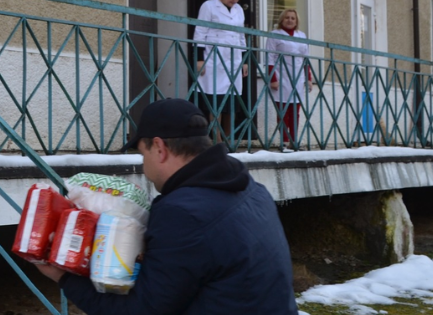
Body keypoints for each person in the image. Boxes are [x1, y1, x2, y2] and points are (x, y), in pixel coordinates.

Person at [36, 98, 298, 315]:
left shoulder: (182, 212)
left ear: (159, 148)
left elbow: (142, 311)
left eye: (142, 153)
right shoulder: (250, 189)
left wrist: (64, 277)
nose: (143, 165)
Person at [193, 0, 248, 141]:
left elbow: (241, 35)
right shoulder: (208, 6)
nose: (234, 0)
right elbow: (200, 32)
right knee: (215, 102)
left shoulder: (239, 9)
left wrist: (244, 60)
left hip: (234, 60)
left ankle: (228, 140)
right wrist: (199, 59)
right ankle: (216, 139)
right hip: (213, 60)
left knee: (231, 103)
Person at [264, 8, 310, 152]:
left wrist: (308, 78)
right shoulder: (275, 35)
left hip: (297, 77)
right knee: (283, 111)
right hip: (281, 76)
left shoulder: (301, 35)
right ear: (282, 19)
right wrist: (273, 78)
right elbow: (269, 57)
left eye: (293, 18)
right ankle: (284, 142)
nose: (290, 20)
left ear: (296, 21)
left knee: (295, 112)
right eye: (287, 18)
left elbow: (306, 59)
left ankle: (294, 142)